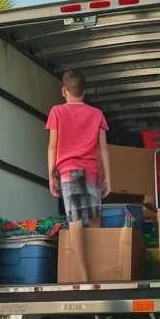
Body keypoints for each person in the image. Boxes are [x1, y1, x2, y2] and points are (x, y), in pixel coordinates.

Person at [46, 69, 111, 278]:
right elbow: (103, 149)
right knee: (93, 220)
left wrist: (50, 175)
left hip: (68, 172)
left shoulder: (57, 111)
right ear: (85, 91)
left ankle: (84, 275)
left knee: (74, 221)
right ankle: (99, 270)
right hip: (91, 170)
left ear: (64, 91)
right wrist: (107, 176)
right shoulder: (97, 114)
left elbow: (52, 146)